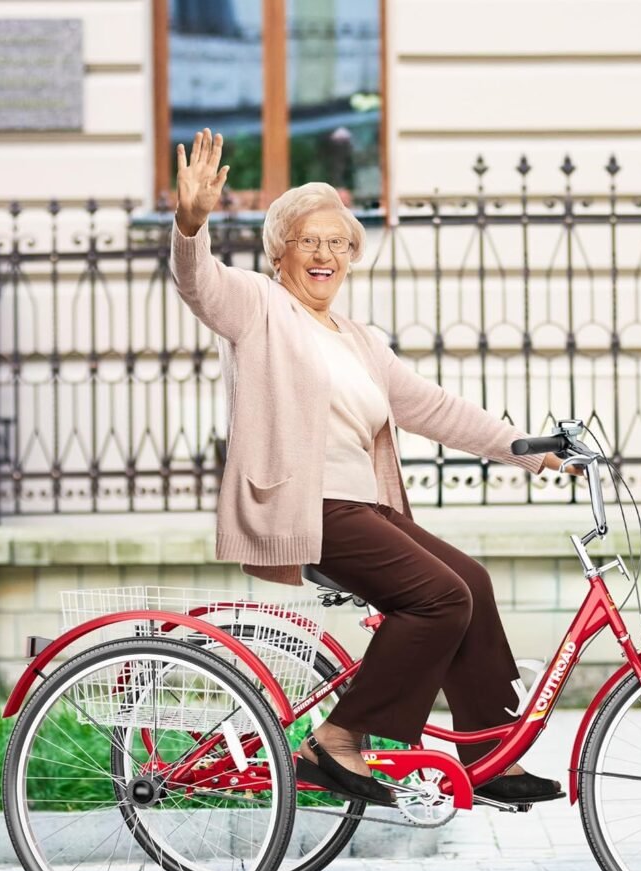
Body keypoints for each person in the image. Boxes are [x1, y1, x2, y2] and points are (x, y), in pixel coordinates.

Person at [171, 128, 583, 807]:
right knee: (439, 598)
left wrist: (529, 449)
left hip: (360, 507)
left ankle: (488, 760)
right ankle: (337, 740)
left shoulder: (359, 340)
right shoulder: (260, 306)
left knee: (472, 583)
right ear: (279, 252)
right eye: (308, 241)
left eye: (339, 243)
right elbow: (200, 284)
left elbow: (433, 407)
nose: (324, 255)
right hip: (307, 505)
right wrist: (191, 226)